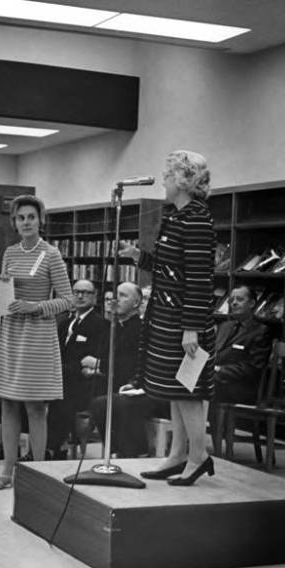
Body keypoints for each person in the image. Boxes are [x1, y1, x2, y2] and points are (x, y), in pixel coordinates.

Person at [120, 150, 216, 486]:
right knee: (174, 390)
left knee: (188, 391)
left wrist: (191, 329)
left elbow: (200, 278)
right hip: (165, 318)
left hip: (185, 323)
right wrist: (140, 257)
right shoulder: (175, 216)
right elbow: (169, 268)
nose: (163, 179)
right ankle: (177, 455)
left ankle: (199, 456)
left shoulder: (197, 219)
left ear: (182, 179)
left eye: (168, 173)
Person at [0, 195, 73, 490]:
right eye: (21, 218)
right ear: (14, 222)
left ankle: (37, 472)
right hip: (9, 332)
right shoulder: (10, 252)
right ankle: (7, 471)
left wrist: (36, 306)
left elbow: (68, 299)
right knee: (8, 403)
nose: (26, 222)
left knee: (35, 406)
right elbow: (6, 290)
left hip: (36, 336)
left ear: (41, 219)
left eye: (31, 217)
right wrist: (3, 288)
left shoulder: (51, 254)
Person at [84, 281, 169, 457]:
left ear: (136, 303)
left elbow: (127, 366)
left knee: (104, 402)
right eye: (116, 295)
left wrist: (98, 366)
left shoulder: (139, 329)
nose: (116, 300)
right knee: (83, 393)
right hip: (123, 382)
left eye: (123, 296)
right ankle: (119, 450)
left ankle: (130, 452)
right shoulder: (114, 327)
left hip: (146, 387)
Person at [46, 279, 108, 460]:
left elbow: (92, 359)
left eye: (86, 292)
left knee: (63, 391)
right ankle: (24, 445)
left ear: (95, 298)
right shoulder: (64, 323)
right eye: (76, 292)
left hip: (85, 382)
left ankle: (53, 447)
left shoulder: (100, 324)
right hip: (61, 376)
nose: (80, 296)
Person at [210, 284, 273, 456]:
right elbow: (214, 353)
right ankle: (184, 438)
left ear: (252, 303)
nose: (234, 303)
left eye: (239, 299)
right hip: (219, 381)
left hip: (242, 387)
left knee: (207, 387)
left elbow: (253, 368)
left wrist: (219, 370)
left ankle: (207, 446)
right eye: (231, 300)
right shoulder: (225, 326)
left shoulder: (261, 331)